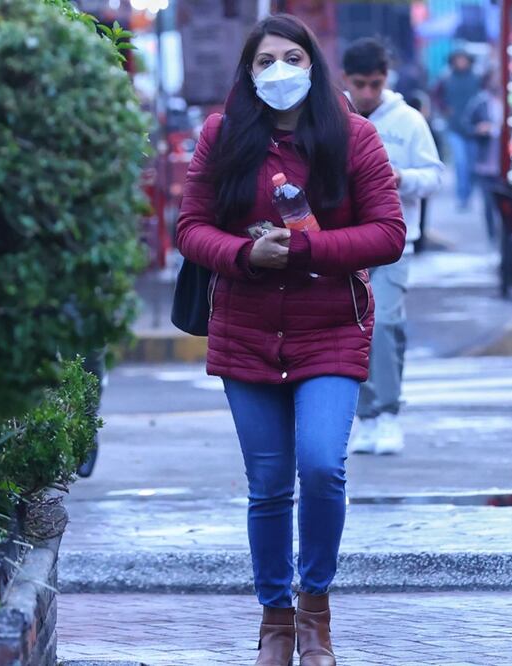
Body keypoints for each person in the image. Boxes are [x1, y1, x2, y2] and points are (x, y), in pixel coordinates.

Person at [175, 15, 405, 666]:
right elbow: (190, 229)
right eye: (266, 60)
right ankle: (275, 621)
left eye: (293, 58)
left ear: (313, 66)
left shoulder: (352, 136)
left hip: (329, 326)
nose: (280, 70)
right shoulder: (222, 136)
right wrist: (248, 256)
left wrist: (303, 248)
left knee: (321, 466)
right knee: (269, 482)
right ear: (249, 73)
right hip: (245, 329)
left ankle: (316, 614)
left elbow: (389, 234)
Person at [341, 38, 444, 454]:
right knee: (353, 330)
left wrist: (402, 177)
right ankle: (364, 417)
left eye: (376, 84)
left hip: (395, 241)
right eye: (360, 84)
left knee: (383, 326)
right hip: (345, 243)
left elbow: (435, 176)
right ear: (345, 79)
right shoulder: (334, 118)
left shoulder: (408, 121)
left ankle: (387, 413)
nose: (368, 93)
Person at [437, 49, 481, 211]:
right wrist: (445, 109)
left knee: (471, 164)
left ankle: (469, 193)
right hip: (455, 127)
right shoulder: (447, 79)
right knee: (461, 162)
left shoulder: (477, 79)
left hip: (473, 128)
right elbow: (436, 96)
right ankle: (462, 196)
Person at [464, 69, 503, 242]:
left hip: (506, 162)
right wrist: (479, 129)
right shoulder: (480, 103)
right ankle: (492, 235)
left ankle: (503, 234)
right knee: (488, 201)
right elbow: (466, 125)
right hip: (485, 160)